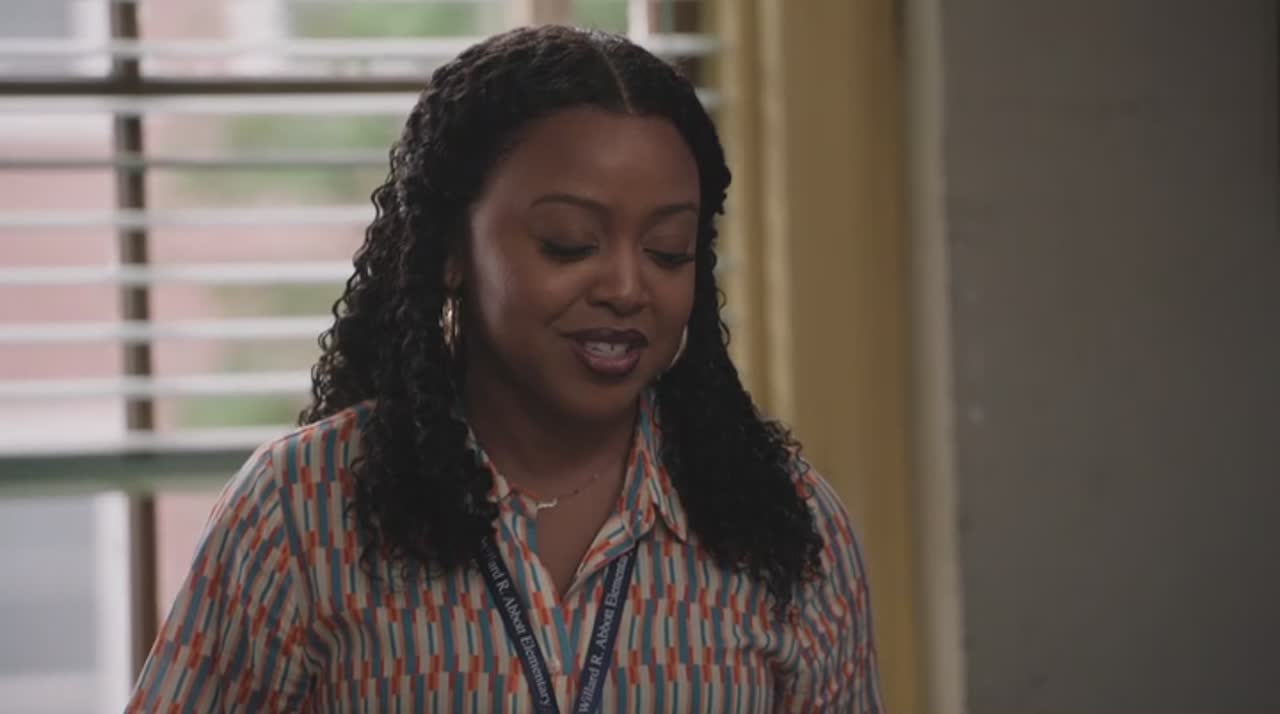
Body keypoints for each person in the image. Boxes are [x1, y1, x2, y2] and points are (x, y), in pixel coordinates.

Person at [127, 25, 882, 713]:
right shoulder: (299, 513)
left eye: (667, 252)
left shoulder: (789, 529)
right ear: (452, 251)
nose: (627, 287)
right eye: (568, 243)